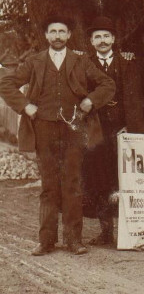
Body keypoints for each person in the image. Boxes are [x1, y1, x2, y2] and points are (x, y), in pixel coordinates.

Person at [0, 15, 115, 256]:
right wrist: (25, 106)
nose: (57, 36)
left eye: (62, 31)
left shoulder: (81, 61)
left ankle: (74, 240)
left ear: (69, 35)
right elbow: (5, 83)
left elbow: (107, 84)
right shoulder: (34, 61)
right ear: (46, 35)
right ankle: (47, 240)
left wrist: (90, 101)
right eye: (53, 32)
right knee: (49, 185)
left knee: (72, 183)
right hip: (43, 129)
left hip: (74, 130)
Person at [82, 15, 144, 244]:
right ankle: (106, 231)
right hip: (97, 130)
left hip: (122, 130)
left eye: (106, 36)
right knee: (100, 179)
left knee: (126, 179)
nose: (102, 41)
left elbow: (135, 98)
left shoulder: (128, 62)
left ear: (113, 38)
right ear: (91, 41)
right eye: (97, 37)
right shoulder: (84, 65)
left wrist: (131, 126)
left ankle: (129, 232)